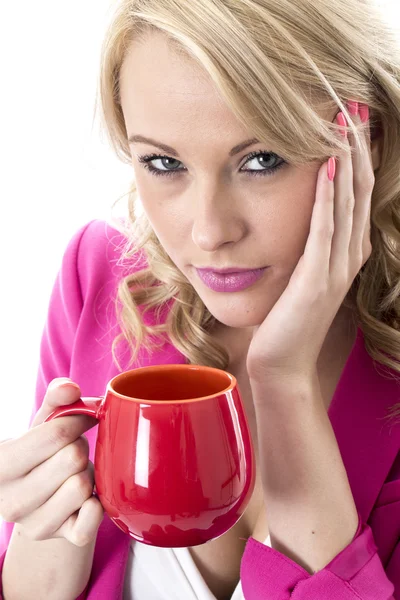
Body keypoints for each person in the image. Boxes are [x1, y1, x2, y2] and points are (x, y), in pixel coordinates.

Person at [1, 0, 400, 598]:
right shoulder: (101, 278)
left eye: (262, 160)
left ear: (366, 144)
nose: (210, 232)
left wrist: (283, 382)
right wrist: (47, 532)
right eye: (163, 162)